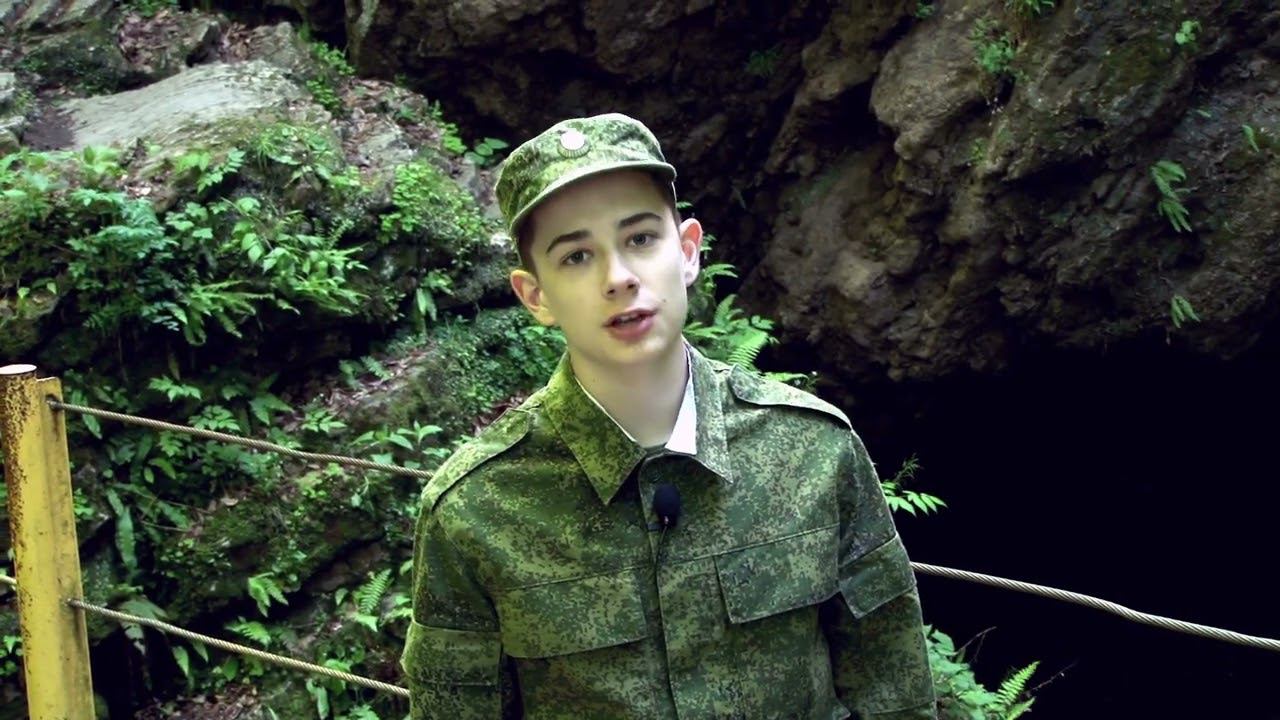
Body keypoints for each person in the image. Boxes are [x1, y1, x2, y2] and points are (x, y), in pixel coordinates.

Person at [401, 112, 937, 719]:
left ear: (686, 252)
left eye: (640, 239)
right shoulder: (478, 508)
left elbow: (894, 694)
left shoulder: (813, 449)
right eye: (576, 256)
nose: (618, 278)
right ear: (536, 295)